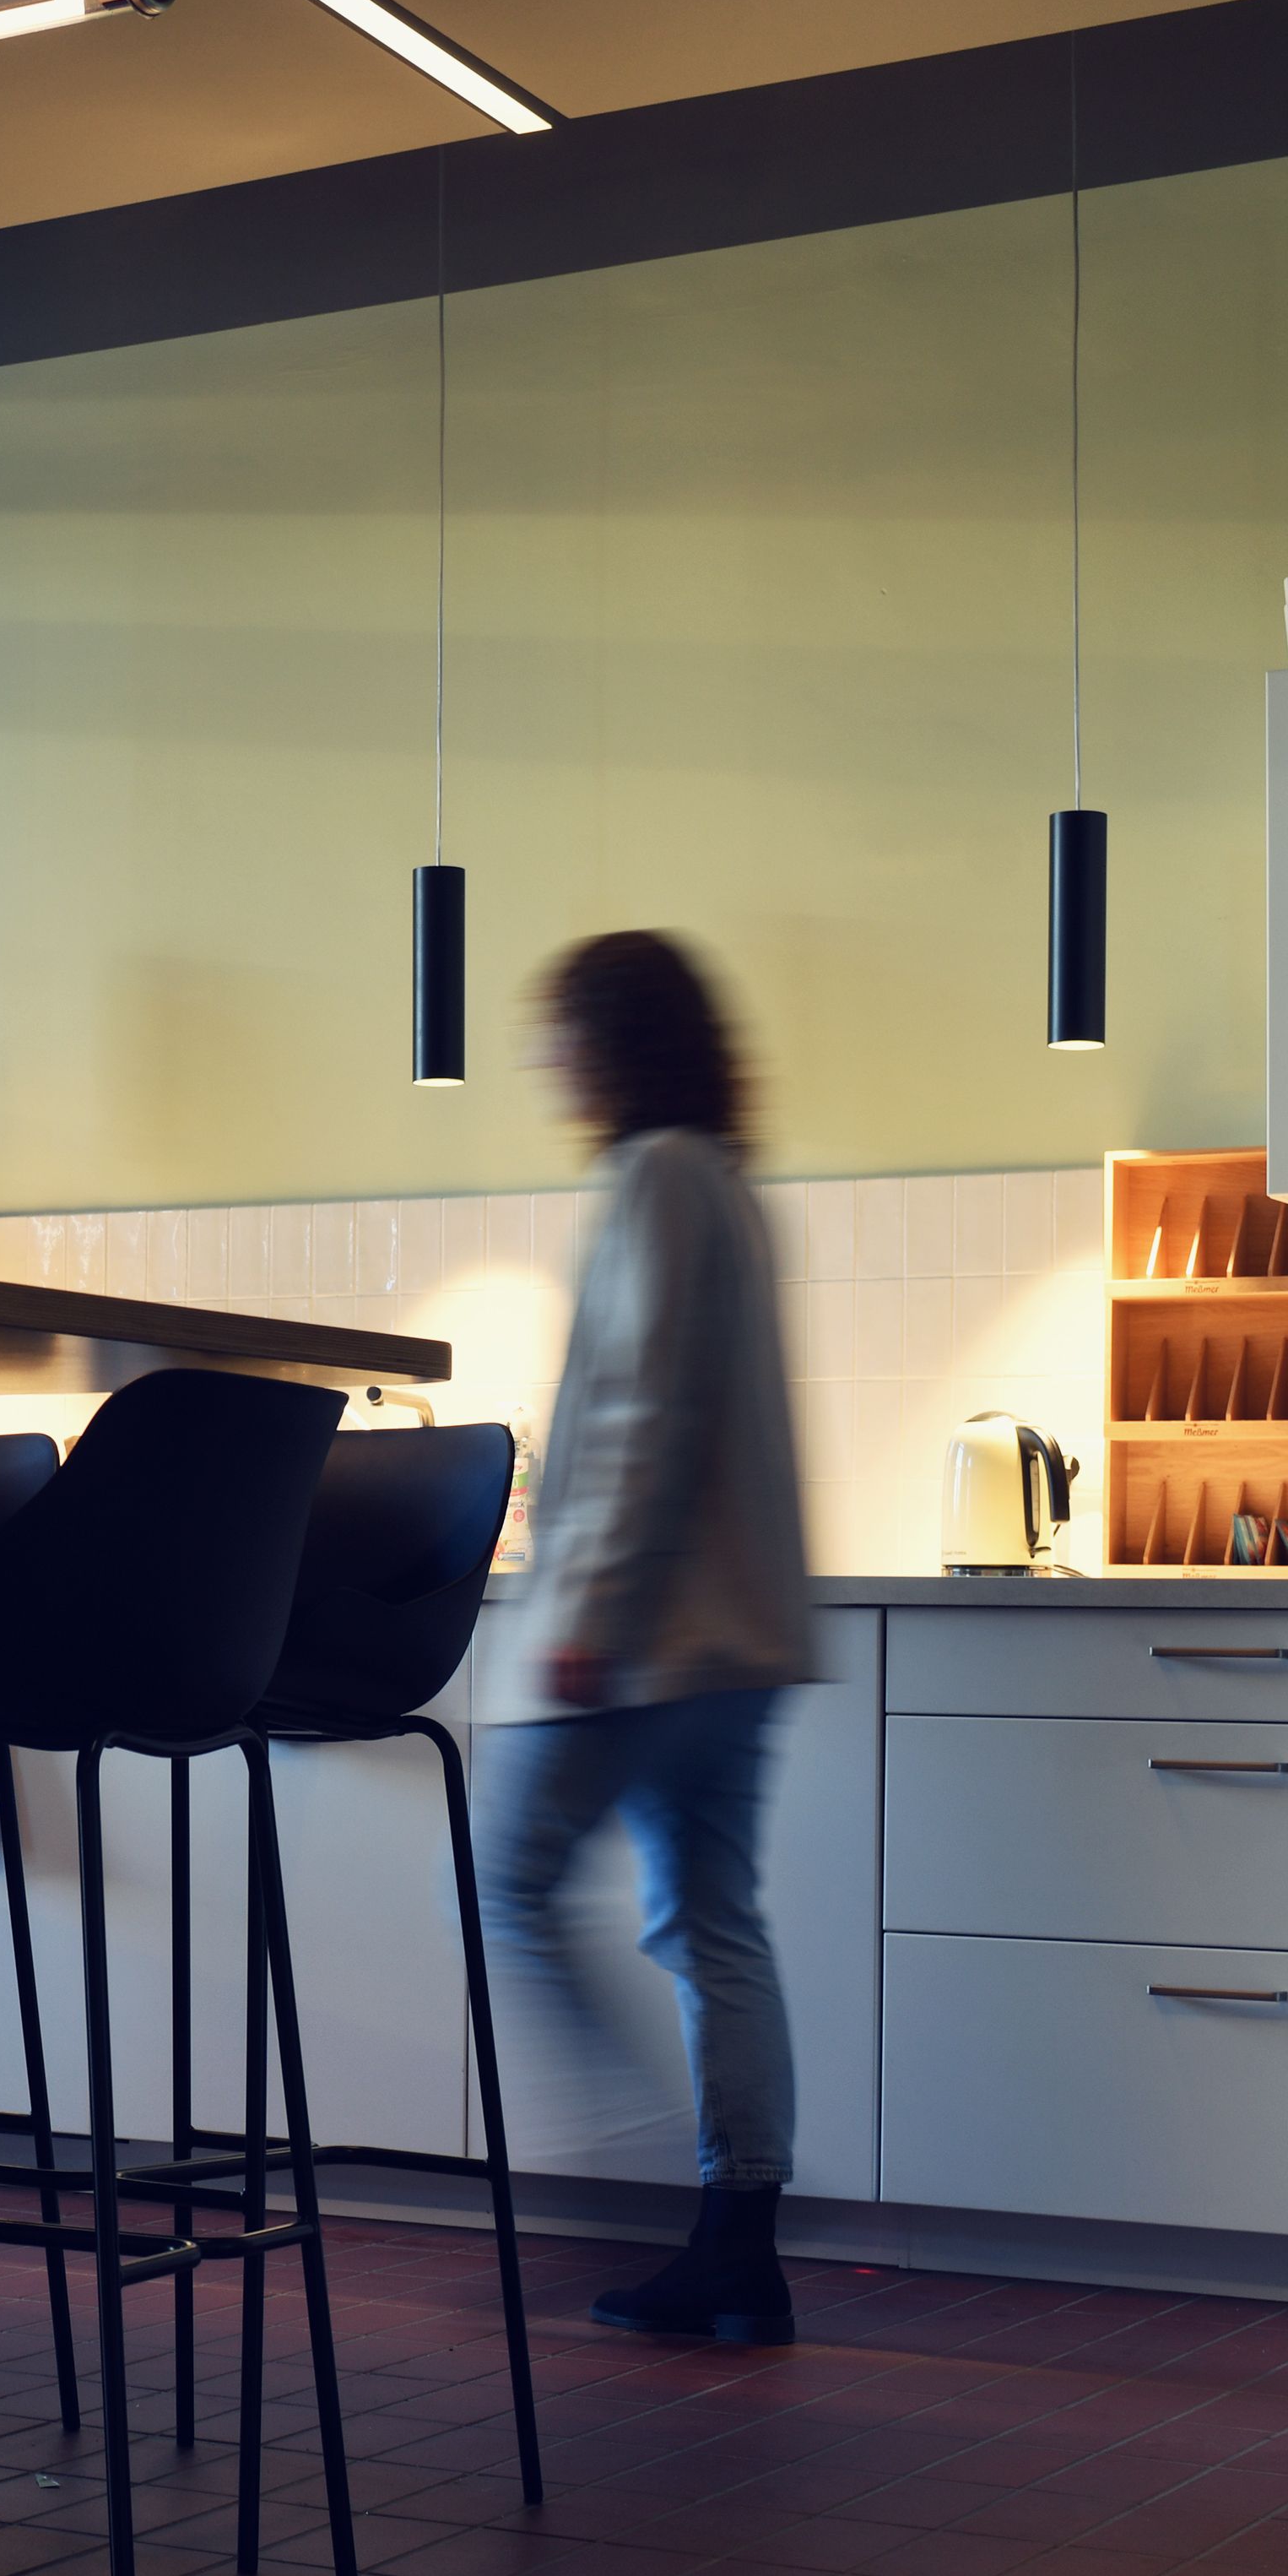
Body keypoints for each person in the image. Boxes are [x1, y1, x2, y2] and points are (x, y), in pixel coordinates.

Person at [484, 930, 817, 2346]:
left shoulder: (657, 1177)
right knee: (710, 1919)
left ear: (613, 1044)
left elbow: (641, 1412)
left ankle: (617, 2145)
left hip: (656, 1636)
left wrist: (590, 1613)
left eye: (560, 1034)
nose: (546, 1060)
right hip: (738, 1640)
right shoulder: (724, 1180)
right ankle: (736, 2240)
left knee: (505, 1880)